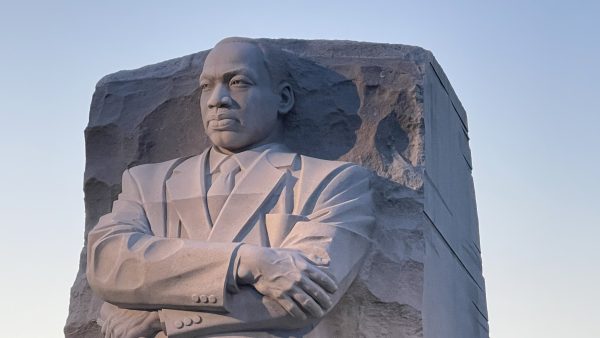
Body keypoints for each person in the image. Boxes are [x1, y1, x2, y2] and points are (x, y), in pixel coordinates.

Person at [87, 37, 374, 338]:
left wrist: (163, 317)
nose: (217, 99)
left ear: (284, 99)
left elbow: (308, 295)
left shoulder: (332, 182)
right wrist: (247, 261)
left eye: (238, 82)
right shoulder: (147, 183)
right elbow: (108, 264)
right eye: (206, 86)